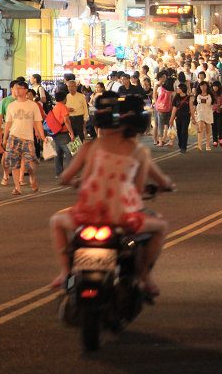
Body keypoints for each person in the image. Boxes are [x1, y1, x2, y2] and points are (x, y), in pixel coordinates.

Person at [51, 92, 171, 297]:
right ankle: (144, 276)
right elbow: (138, 188)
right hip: (122, 217)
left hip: (87, 213)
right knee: (160, 227)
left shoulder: (90, 146)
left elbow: (65, 177)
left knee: (56, 221)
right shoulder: (137, 151)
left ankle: (65, 271)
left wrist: (77, 182)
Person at [2, 80, 46, 195]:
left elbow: (38, 122)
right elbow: (8, 123)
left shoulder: (33, 105)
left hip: (28, 138)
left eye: (19, 88)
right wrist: (4, 138)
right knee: (14, 164)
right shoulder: (11, 105)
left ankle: (32, 177)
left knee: (30, 163)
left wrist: (42, 136)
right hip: (13, 137)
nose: (16, 90)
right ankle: (17, 187)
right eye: (15, 88)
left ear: (26, 90)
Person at [46, 90, 75, 178]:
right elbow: (66, 121)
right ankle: (70, 173)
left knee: (58, 153)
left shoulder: (56, 107)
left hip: (54, 133)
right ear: (64, 98)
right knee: (70, 152)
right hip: (63, 133)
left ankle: (59, 173)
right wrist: (71, 133)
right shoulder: (63, 107)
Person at [168, 83, 192, 154]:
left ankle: (183, 147)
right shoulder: (176, 97)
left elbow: (191, 108)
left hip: (186, 117)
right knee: (179, 132)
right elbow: (174, 109)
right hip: (178, 117)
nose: (177, 89)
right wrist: (171, 119)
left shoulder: (188, 97)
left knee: (184, 131)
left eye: (178, 88)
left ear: (182, 89)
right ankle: (181, 144)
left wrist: (193, 118)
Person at [192, 81, 214, 151]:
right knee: (200, 129)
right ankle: (199, 145)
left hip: (208, 113)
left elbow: (211, 103)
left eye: (204, 86)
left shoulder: (210, 95)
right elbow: (195, 104)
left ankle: (207, 145)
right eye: (201, 86)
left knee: (208, 130)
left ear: (207, 86)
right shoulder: (197, 95)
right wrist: (192, 115)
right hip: (200, 113)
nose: (203, 87)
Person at [154, 78, 174, 146]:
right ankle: (170, 141)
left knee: (160, 125)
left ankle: (160, 142)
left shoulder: (160, 88)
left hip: (160, 108)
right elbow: (172, 101)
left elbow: (156, 95)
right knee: (170, 125)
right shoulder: (172, 91)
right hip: (169, 109)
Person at [210, 81, 222, 148]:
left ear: (219, 86)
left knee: (220, 125)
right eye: (213, 86)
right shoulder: (210, 94)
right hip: (212, 112)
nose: (215, 88)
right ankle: (214, 140)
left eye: (216, 86)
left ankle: (221, 139)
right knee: (213, 126)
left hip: (220, 112)